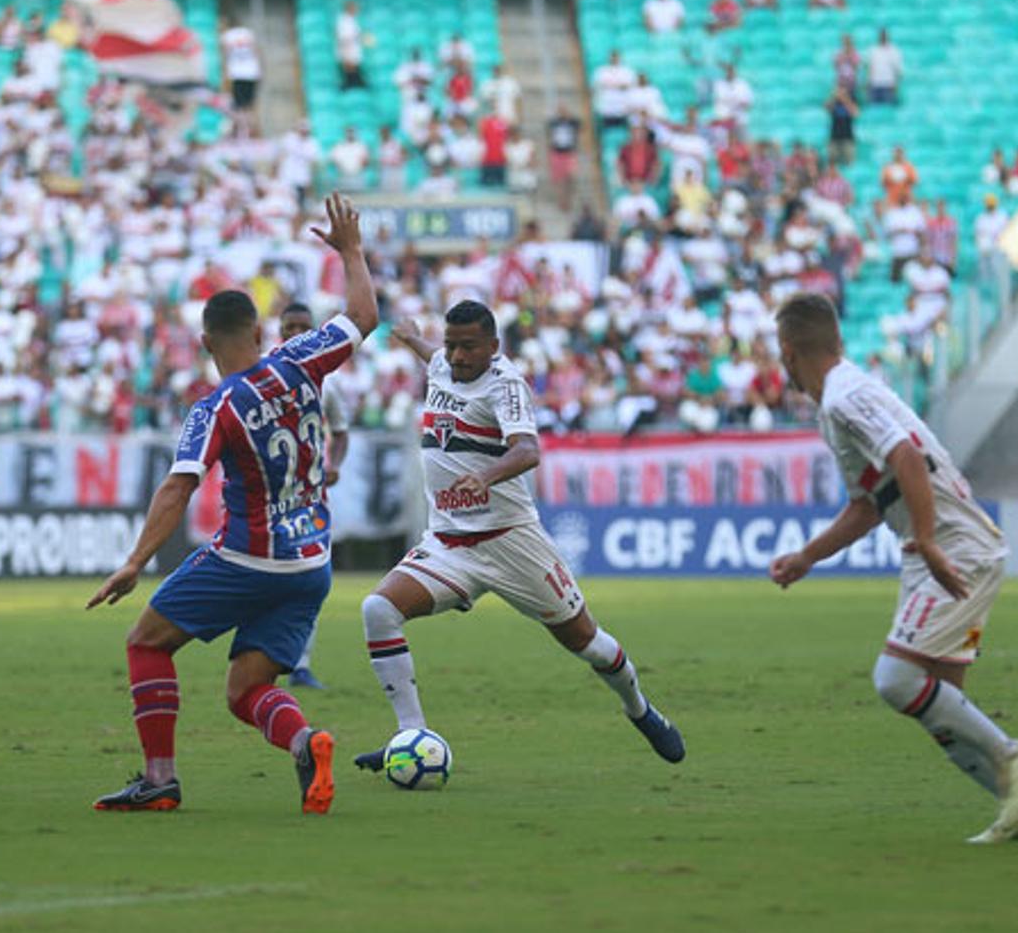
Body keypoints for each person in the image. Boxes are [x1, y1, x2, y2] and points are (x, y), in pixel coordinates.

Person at [84, 193, 377, 815]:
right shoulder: (301, 360)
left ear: (203, 341)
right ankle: (305, 741)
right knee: (247, 688)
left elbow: (178, 486)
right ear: (262, 332)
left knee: (147, 641)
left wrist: (136, 561)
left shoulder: (214, 408)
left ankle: (159, 778)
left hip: (249, 556)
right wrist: (351, 251)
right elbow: (362, 314)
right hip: (311, 562)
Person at [351, 303, 686, 774]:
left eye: (469, 346)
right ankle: (411, 736)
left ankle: (640, 708)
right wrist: (411, 338)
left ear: (493, 346)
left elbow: (528, 450)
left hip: (511, 542)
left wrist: (487, 475)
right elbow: (435, 356)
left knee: (586, 642)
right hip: (448, 543)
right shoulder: (445, 362)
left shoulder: (506, 387)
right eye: (452, 344)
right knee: (378, 609)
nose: (458, 356)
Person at [767, 294, 1018, 843]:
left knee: (896, 679)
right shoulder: (844, 399)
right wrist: (807, 557)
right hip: (943, 545)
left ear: (789, 351)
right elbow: (870, 505)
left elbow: (907, 459)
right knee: (941, 707)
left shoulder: (844, 397)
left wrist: (925, 542)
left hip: (951, 547)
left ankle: (1013, 756)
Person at [278, 301, 356, 690]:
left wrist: (335, 464)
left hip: (309, 498)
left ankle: (300, 664)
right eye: (289, 327)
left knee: (311, 577)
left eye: (303, 328)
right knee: (264, 579)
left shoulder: (328, 383)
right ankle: (262, 655)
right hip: (267, 499)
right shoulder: (262, 376)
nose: (296, 334)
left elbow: (340, 432)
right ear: (278, 332)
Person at [220, 17, 262, 118]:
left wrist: (225, 72)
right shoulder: (248, 33)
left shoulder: (226, 36)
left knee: (238, 104)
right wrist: (260, 69)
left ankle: (242, 129)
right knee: (249, 103)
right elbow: (256, 51)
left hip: (237, 73)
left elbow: (226, 55)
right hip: (251, 72)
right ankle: (248, 128)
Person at [866, 28, 905, 105]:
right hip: (875, 85)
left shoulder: (894, 51)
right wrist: (868, 84)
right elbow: (870, 68)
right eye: (881, 35)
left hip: (888, 85)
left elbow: (898, 70)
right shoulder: (873, 50)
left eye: (884, 35)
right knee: (874, 110)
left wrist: (896, 85)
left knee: (888, 109)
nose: (883, 37)